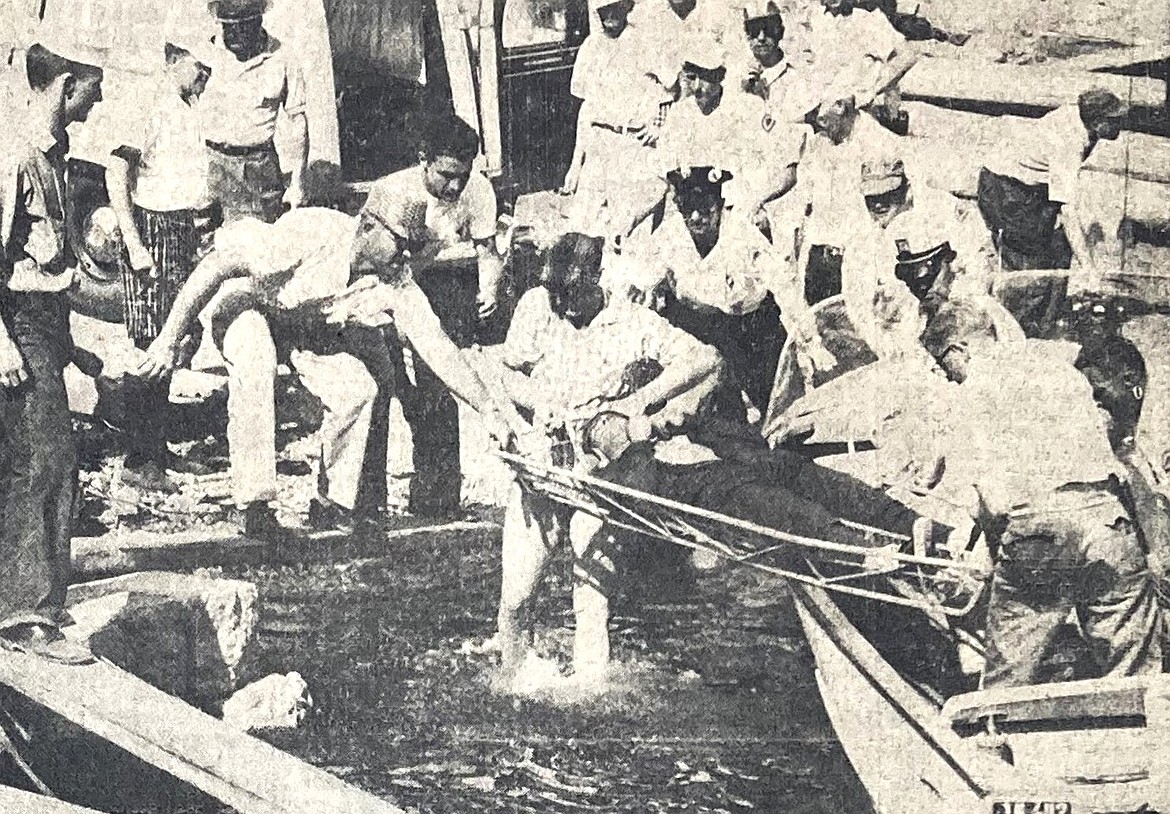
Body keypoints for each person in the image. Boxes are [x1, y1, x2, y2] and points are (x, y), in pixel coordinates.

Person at [476, 231, 725, 679]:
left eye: (573, 293)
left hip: (603, 473)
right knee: (516, 596)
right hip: (544, 465)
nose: (564, 305)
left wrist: (642, 402)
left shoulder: (631, 321)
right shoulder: (537, 305)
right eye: (556, 293)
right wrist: (530, 402)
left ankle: (591, 696)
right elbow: (503, 370)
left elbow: (705, 358)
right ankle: (509, 684)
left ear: (597, 277)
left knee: (590, 595)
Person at [919, 300, 1163, 688]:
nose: (945, 376)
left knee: (1008, 674)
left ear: (960, 349)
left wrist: (1002, 564)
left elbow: (995, 503)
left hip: (1041, 532)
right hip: (1109, 522)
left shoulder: (971, 394)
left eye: (941, 363)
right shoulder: (1057, 368)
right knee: (1135, 671)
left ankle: (994, 739)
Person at [0, 42, 104, 664]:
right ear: (66, 84)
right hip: (15, 324)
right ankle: (24, 613)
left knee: (45, 456)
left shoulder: (53, 156)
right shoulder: (14, 155)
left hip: (42, 324)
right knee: (45, 458)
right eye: (95, 86)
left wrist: (75, 350)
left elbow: (49, 268)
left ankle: (37, 597)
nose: (100, 100)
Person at [362, 114, 506, 517]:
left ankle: (437, 498)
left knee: (438, 387)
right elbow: (373, 261)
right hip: (386, 287)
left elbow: (488, 249)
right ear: (423, 159)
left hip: (440, 284)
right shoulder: (391, 191)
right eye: (446, 175)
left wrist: (489, 286)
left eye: (464, 174)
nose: (455, 186)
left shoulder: (477, 190)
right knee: (381, 386)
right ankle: (363, 500)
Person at [616, 166, 820, 417]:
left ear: (720, 203)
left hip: (753, 326)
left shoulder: (742, 234)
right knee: (717, 412)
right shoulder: (670, 236)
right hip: (701, 328)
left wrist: (810, 339)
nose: (696, 217)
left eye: (704, 207)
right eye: (687, 208)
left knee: (779, 404)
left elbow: (783, 284)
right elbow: (639, 279)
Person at [104, 40, 214, 491]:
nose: (206, 77)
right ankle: (138, 460)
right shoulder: (149, 102)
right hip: (153, 230)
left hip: (183, 229)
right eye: (198, 68)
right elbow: (116, 172)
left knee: (177, 335)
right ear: (172, 61)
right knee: (152, 341)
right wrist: (135, 245)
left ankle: (158, 450)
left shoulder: (186, 108)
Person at [977, 88, 1128, 278]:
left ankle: (1051, 300)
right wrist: (1089, 267)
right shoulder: (1067, 145)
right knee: (1032, 265)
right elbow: (1069, 212)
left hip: (1027, 186)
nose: (1121, 126)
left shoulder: (1080, 116)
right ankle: (1017, 299)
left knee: (1058, 248)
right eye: (1114, 121)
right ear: (1097, 122)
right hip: (1004, 190)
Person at [655, 45, 806, 229]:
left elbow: (784, 170)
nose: (697, 88)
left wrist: (757, 202)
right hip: (691, 214)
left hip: (738, 211)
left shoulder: (748, 109)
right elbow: (664, 170)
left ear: (719, 78)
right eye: (692, 78)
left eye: (705, 80)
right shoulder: (679, 114)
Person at [199, 0, 308, 223]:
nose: (234, 35)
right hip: (207, 164)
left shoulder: (283, 58)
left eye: (243, 27)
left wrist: (297, 183)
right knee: (201, 241)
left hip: (257, 169)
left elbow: (297, 122)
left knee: (256, 245)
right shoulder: (203, 54)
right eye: (228, 27)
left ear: (258, 21)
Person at [562, 0, 661, 240]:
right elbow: (586, 110)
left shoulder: (643, 42)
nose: (610, 14)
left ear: (627, 6)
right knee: (582, 228)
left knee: (628, 228)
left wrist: (657, 124)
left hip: (633, 144)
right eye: (604, 8)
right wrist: (576, 164)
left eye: (616, 6)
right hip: (598, 144)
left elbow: (667, 90)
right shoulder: (591, 46)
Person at [800, 0, 917, 134]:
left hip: (858, 117)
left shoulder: (868, 20)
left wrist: (875, 89)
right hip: (820, 115)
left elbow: (907, 55)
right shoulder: (815, 20)